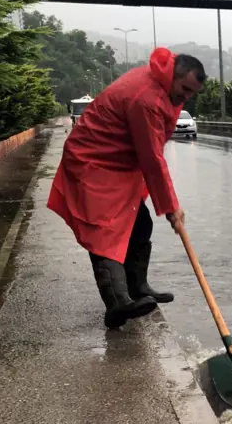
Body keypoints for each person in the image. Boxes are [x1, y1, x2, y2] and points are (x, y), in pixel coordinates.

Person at [48, 48, 206, 329]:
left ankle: (137, 287)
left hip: (116, 161)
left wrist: (167, 206)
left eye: (192, 93)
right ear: (173, 75)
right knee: (104, 232)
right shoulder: (146, 98)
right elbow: (152, 159)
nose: (186, 97)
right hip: (92, 161)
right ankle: (117, 303)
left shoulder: (163, 84)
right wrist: (171, 207)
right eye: (184, 89)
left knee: (139, 223)